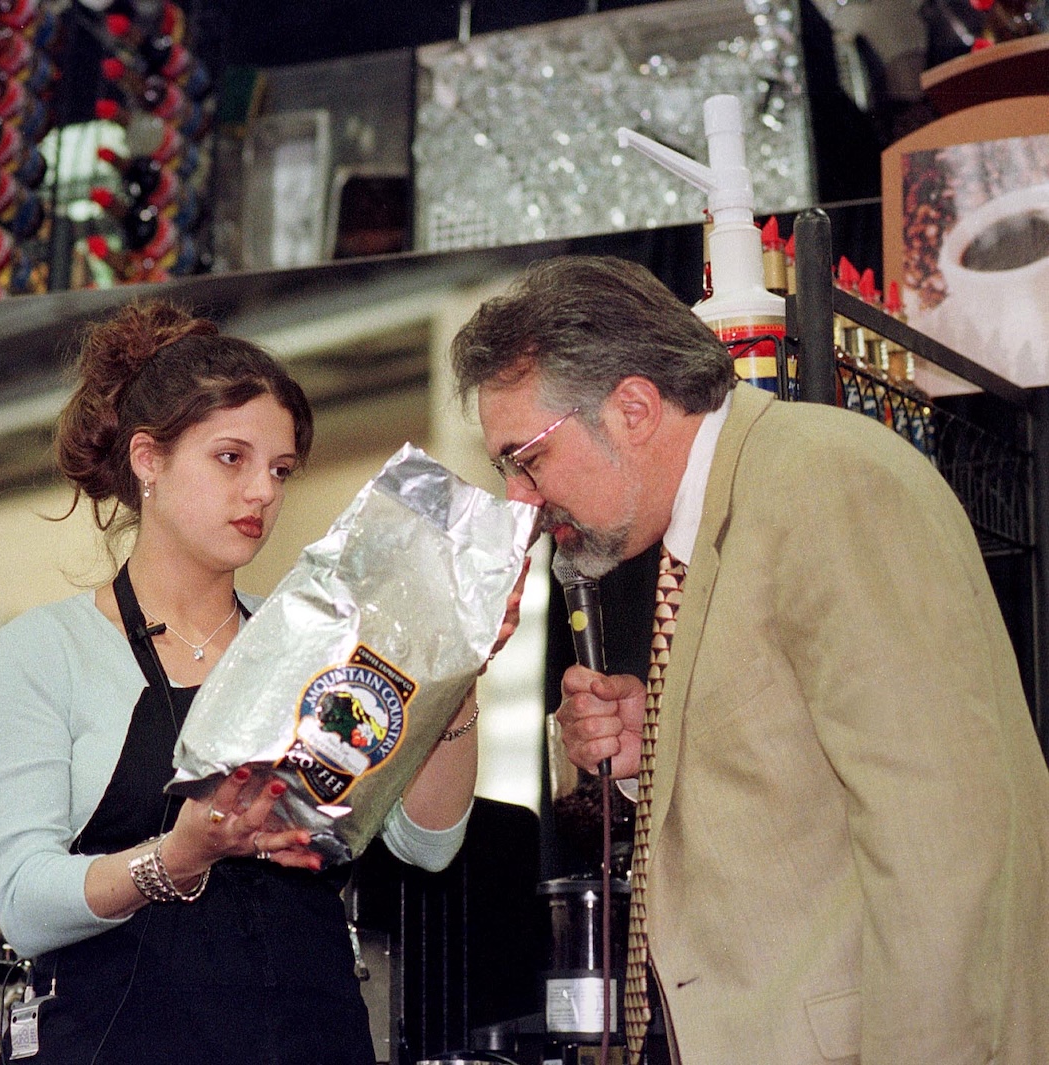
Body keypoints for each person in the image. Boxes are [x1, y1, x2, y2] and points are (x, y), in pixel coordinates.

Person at [450, 255, 1049, 1065]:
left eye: (529, 457)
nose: (520, 496)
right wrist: (648, 750)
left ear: (633, 407)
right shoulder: (712, 521)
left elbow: (944, 836)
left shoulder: (823, 481)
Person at [0, 301, 489, 1065]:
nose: (262, 493)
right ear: (148, 459)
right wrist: (177, 856)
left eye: (279, 469)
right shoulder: (47, 650)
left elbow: (428, 843)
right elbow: (26, 904)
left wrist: (455, 671)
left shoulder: (312, 647)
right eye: (231, 459)